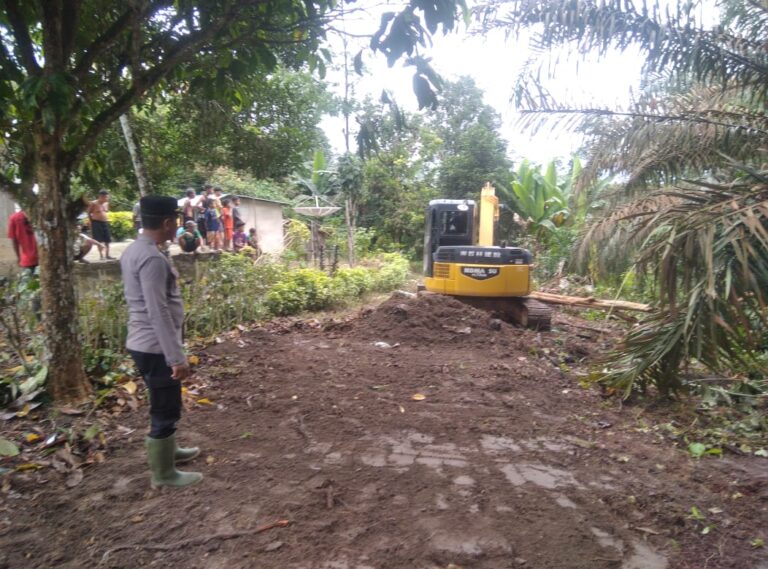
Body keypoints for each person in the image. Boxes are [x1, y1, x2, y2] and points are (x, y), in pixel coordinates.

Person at [120, 195, 202, 488]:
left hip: (143, 342)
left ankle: (171, 451)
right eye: (175, 220)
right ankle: (164, 474)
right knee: (165, 406)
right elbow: (158, 311)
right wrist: (175, 358)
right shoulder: (152, 259)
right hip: (155, 347)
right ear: (168, 223)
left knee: (165, 400)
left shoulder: (135, 249)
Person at [88, 189, 115, 259]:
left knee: (107, 239)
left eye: (107, 197)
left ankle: (107, 255)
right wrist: (91, 222)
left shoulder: (106, 204)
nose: (107, 198)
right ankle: (101, 255)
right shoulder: (93, 203)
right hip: (96, 223)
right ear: (101, 196)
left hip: (105, 222)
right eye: (106, 197)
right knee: (99, 240)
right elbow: (89, 213)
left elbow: (105, 212)